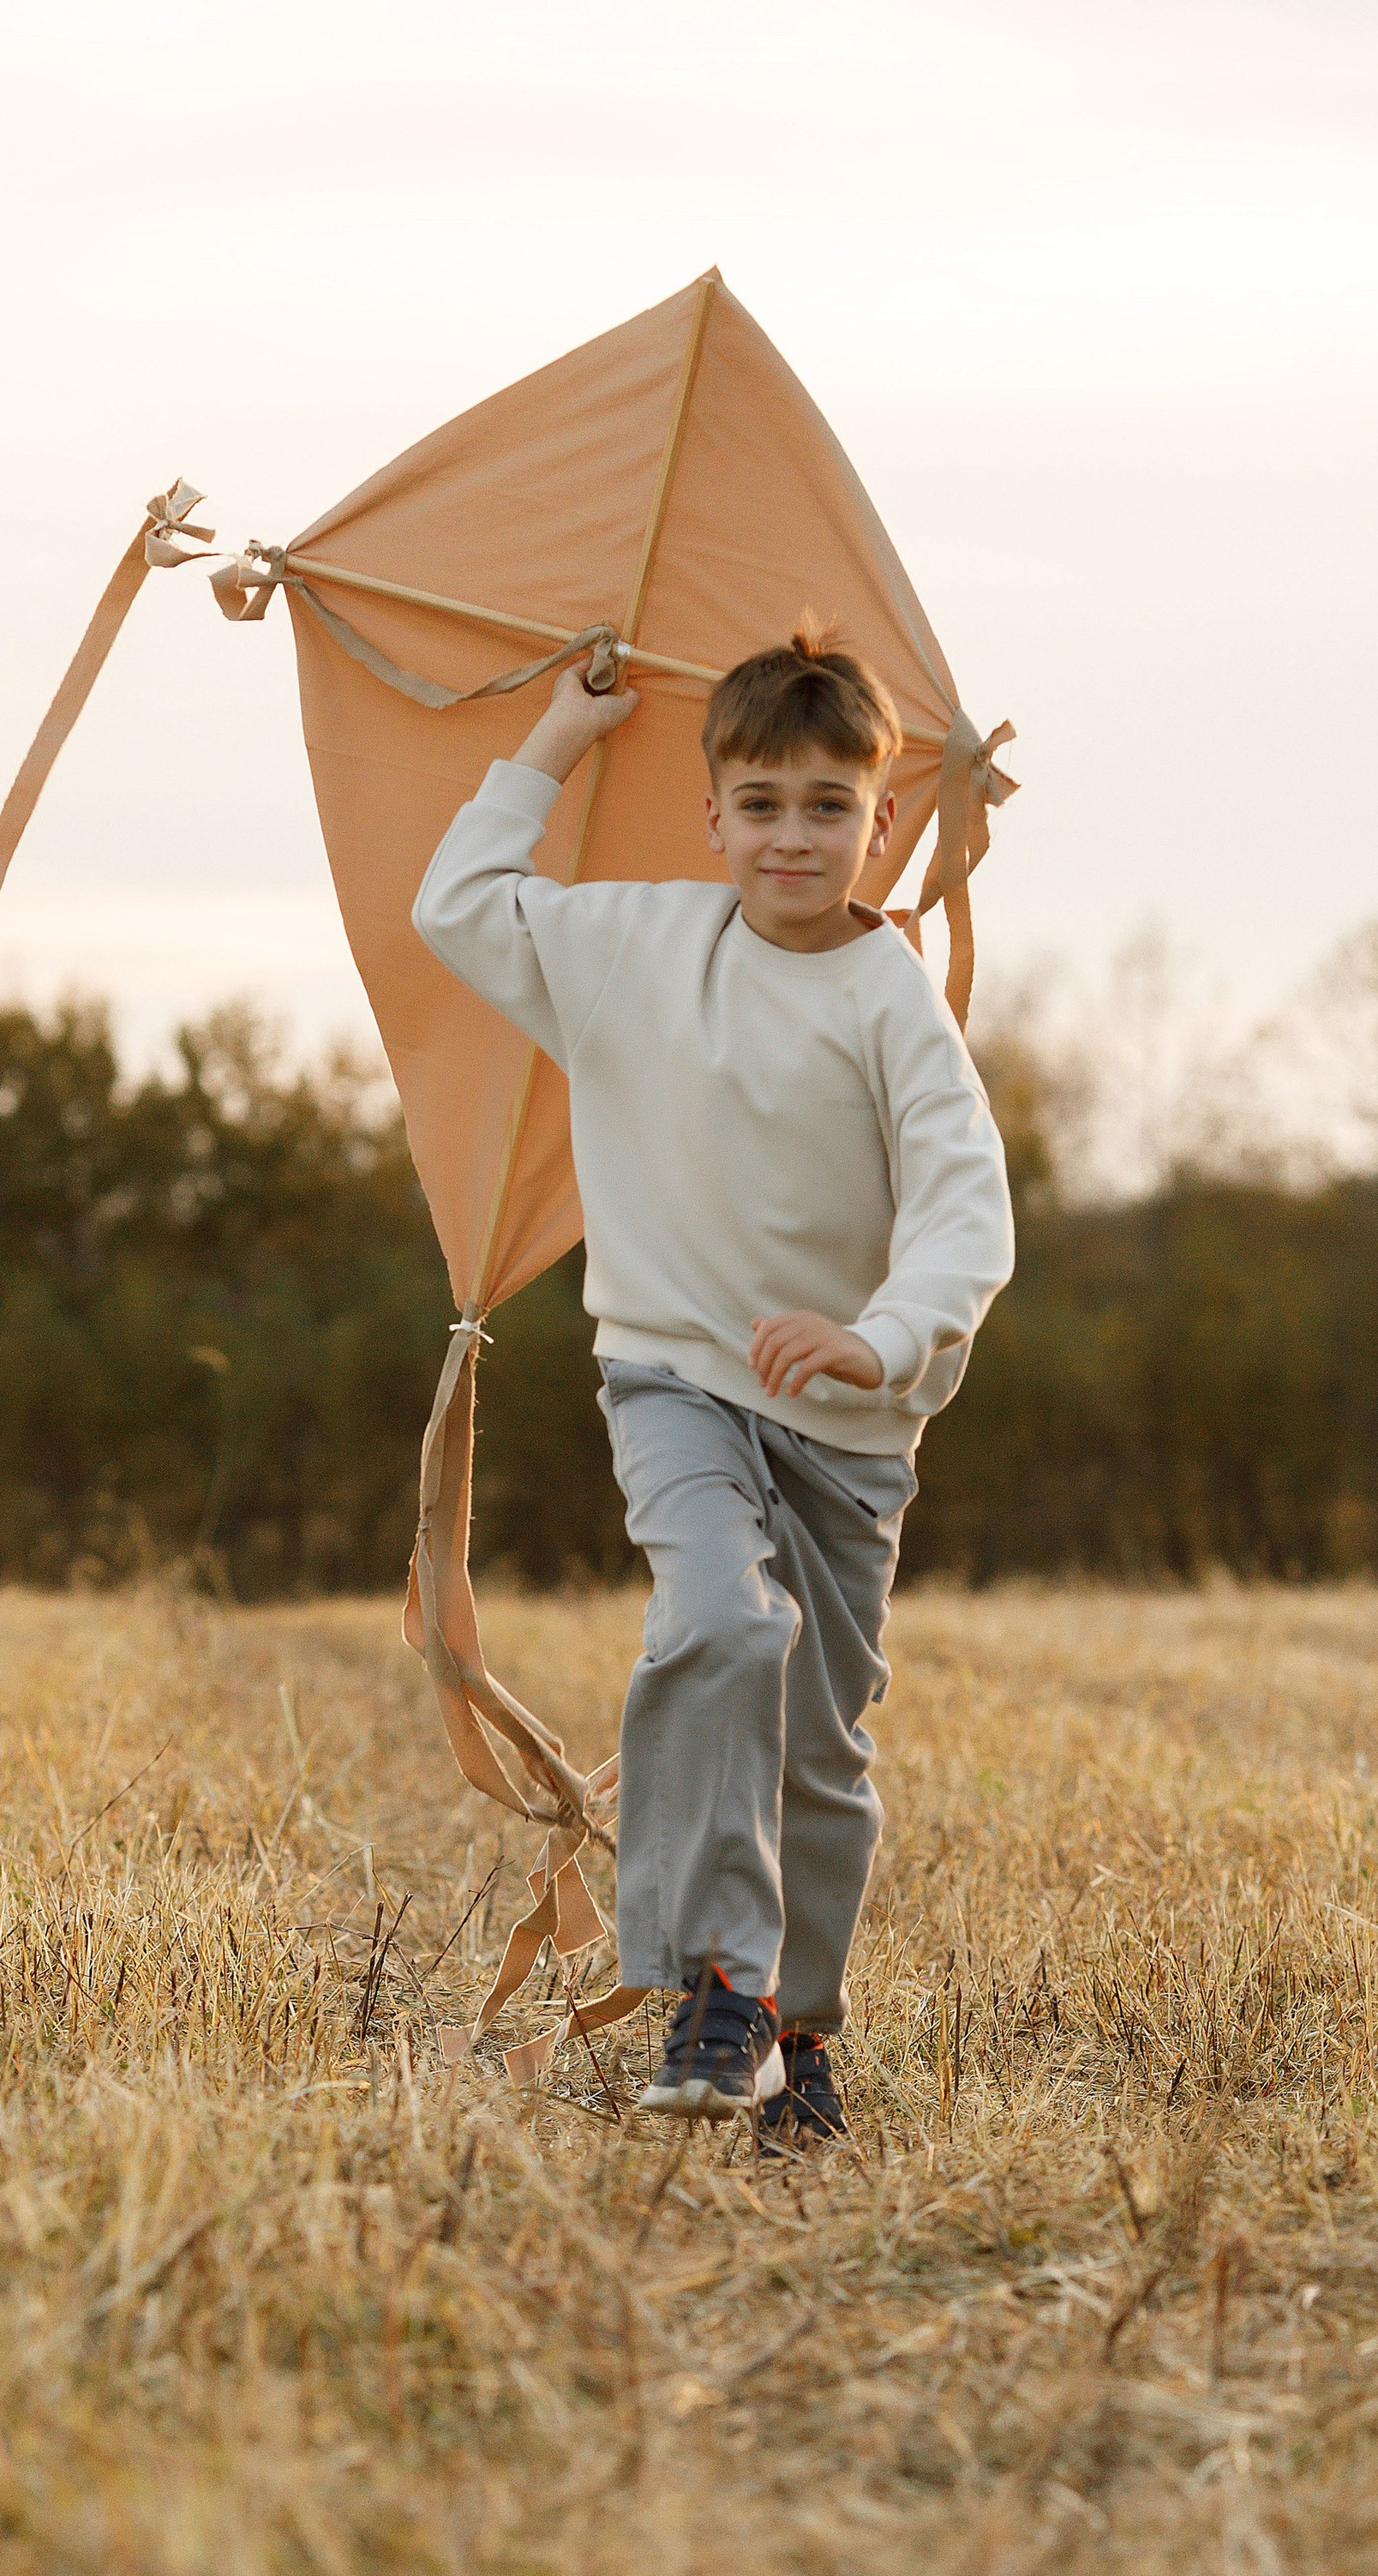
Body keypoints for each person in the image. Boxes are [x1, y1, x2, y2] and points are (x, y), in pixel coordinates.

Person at [412, 625, 1014, 2146]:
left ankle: (797, 2032)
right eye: (760, 803)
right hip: (672, 1377)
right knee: (719, 1622)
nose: (792, 835)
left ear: (883, 823)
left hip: (852, 1432)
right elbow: (461, 904)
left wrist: (880, 1336)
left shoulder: (893, 1001)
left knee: (818, 1743)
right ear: (712, 816)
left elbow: (966, 1214)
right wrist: (556, 735)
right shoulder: (636, 948)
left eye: (828, 805)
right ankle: (711, 1986)